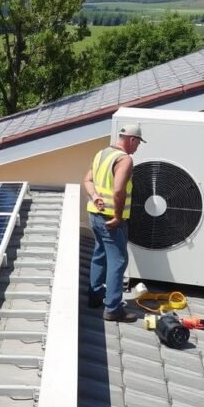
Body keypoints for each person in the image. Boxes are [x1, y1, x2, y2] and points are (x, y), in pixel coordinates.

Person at [83, 123, 144, 323]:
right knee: (118, 261)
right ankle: (113, 308)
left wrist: (95, 196)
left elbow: (87, 180)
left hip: (95, 215)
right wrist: (118, 216)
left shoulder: (102, 154)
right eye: (138, 143)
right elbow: (119, 190)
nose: (137, 148)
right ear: (131, 139)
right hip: (111, 220)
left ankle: (94, 296)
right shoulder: (124, 160)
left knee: (99, 254)